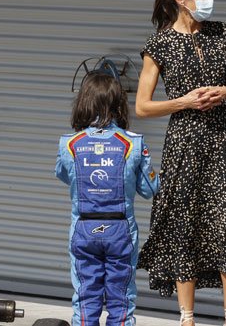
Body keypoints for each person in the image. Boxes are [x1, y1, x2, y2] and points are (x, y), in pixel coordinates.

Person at [135, 0, 226, 326]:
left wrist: (225, 92)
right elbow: (142, 106)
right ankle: (187, 318)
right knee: (183, 224)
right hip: (184, 142)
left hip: (225, 140)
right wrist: (185, 101)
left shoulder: (223, 34)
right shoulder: (159, 43)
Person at [55, 70, 160, 326]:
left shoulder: (68, 144)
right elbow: (150, 189)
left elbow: (64, 175)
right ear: (118, 105)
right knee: (121, 301)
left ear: (84, 102)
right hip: (120, 230)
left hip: (83, 229)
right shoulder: (134, 143)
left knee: (85, 299)